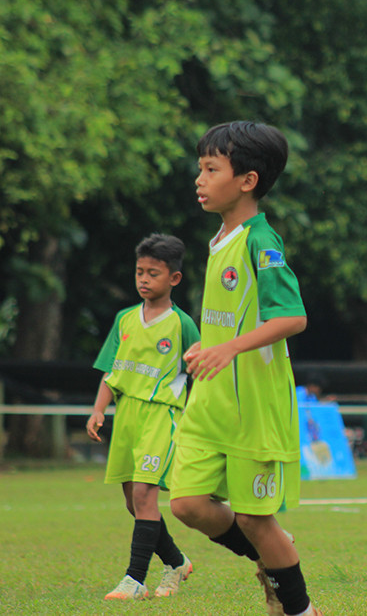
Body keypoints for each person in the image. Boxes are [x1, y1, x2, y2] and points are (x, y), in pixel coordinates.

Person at [168, 121, 321, 616]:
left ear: (247, 180)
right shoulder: (219, 239)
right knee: (187, 504)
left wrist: (229, 349)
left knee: (258, 520)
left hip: (254, 403)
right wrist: (204, 349)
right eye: (200, 169)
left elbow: (292, 317)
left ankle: (299, 609)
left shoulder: (262, 241)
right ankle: (274, 555)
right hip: (210, 401)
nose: (200, 178)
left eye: (211, 169)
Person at [86, 234, 199, 600]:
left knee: (145, 495)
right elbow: (111, 370)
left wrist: (195, 420)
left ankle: (134, 580)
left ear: (174, 279)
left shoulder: (183, 325)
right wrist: (99, 409)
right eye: (139, 272)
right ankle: (177, 562)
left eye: (153, 273)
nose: (144, 279)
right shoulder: (124, 320)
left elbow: (199, 376)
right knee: (132, 502)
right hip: (127, 415)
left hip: (161, 415)